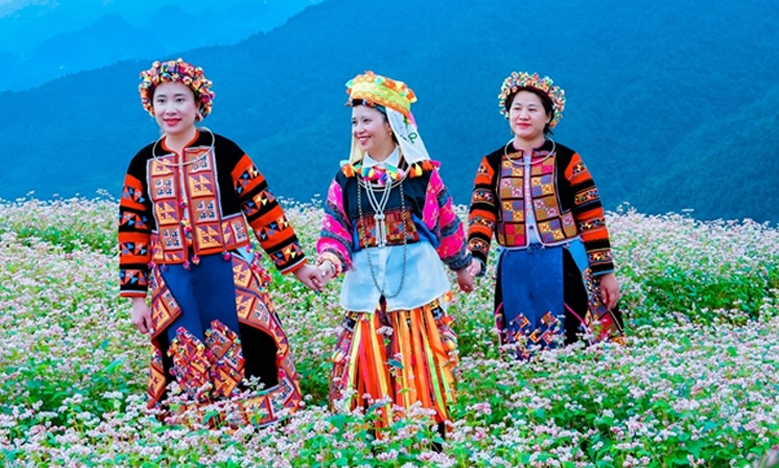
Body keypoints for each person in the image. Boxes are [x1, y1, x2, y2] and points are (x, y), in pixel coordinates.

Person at [118, 58, 325, 426]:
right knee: (183, 356)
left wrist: (297, 265)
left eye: (180, 99)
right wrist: (136, 298)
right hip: (174, 282)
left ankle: (262, 432)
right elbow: (132, 231)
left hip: (231, 275)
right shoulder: (142, 163)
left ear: (199, 105)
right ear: (150, 106)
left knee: (252, 347)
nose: (171, 109)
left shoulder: (225, 151)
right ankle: (193, 435)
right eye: (161, 100)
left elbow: (264, 209)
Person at [314, 71, 475, 430]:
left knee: (421, 360)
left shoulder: (422, 176)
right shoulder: (347, 179)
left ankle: (429, 432)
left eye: (367, 120)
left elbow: (445, 223)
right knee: (366, 366)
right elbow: (335, 229)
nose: (359, 129)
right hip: (367, 295)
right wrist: (328, 263)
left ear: (391, 124)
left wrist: (462, 266)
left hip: (416, 290)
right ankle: (372, 433)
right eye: (355, 122)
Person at [466, 72, 625, 360]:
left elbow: (591, 215)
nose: (523, 115)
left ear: (549, 116)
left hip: (564, 260)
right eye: (516, 108)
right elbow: (482, 212)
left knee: (575, 336)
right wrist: (476, 255)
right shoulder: (491, 163)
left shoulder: (567, 160)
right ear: (507, 113)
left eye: (532, 109)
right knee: (519, 341)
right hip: (514, 264)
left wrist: (605, 272)